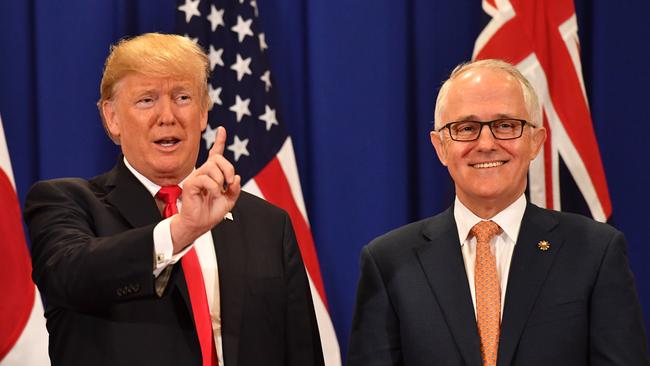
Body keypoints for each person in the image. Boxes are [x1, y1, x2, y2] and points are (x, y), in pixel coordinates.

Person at [24, 33, 324, 366]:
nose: (167, 116)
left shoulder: (269, 224)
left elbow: (302, 352)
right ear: (112, 117)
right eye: (146, 100)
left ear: (203, 113)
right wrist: (183, 229)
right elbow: (75, 276)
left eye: (182, 97)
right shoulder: (66, 203)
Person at [347, 59, 649, 365]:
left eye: (505, 125)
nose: (487, 143)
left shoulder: (596, 253)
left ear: (535, 141)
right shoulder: (388, 262)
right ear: (440, 147)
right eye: (466, 128)